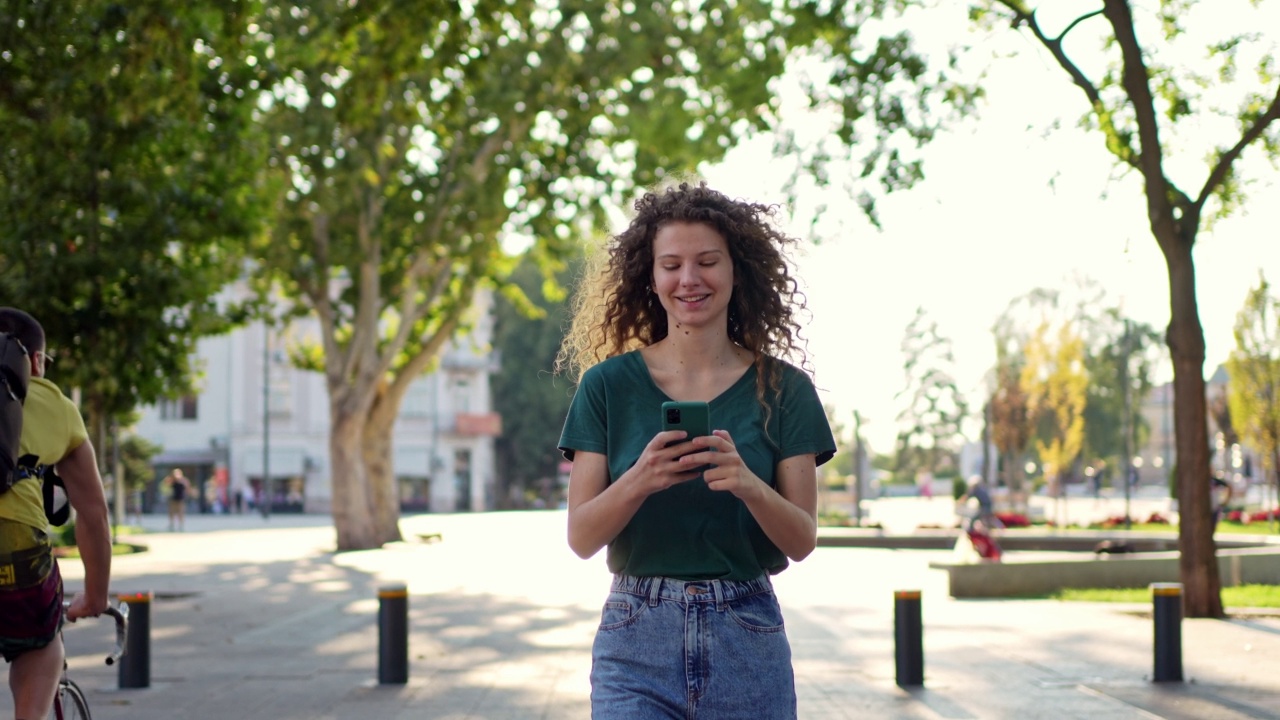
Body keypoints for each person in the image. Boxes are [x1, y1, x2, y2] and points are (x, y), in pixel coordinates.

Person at [556, 182, 836, 719]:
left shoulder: (785, 389)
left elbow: (801, 541)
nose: (690, 279)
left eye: (708, 261)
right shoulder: (606, 386)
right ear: (651, 276)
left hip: (747, 633)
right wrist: (641, 477)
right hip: (635, 633)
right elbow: (581, 537)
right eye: (671, 264)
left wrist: (748, 484)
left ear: (736, 271)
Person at [0, 307, 112, 719]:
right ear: (33, 360)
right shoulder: (52, 401)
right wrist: (96, 595)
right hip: (16, 551)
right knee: (40, 641)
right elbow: (93, 511)